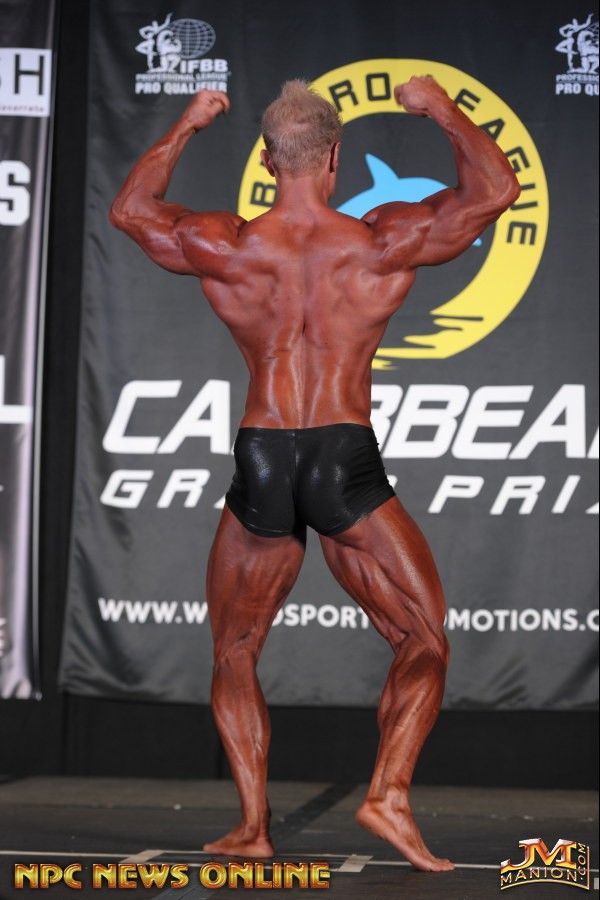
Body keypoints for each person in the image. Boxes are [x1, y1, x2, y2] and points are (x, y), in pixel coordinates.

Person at [110, 75, 520, 872]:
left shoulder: (225, 244)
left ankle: (252, 827)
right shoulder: (382, 239)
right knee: (421, 636)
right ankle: (387, 795)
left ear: (268, 161)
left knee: (235, 649)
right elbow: (496, 191)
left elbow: (130, 210)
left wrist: (189, 123)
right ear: (335, 159)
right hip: (342, 456)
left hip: (263, 452)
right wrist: (439, 107)